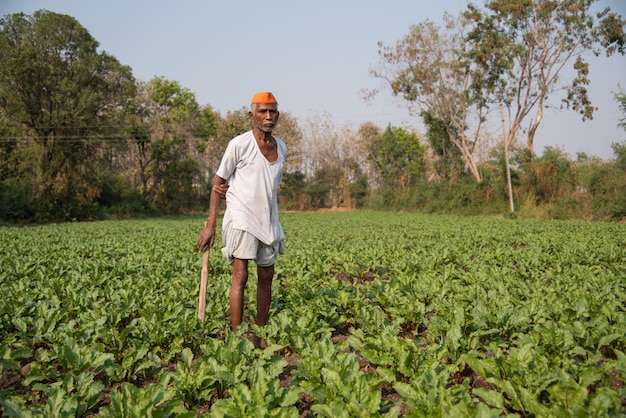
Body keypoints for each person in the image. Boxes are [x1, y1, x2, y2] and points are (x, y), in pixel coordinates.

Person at [197, 91, 286, 348]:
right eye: (263, 112)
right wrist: (211, 224)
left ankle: (260, 336)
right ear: (251, 116)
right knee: (241, 275)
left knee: (267, 275)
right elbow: (218, 184)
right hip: (242, 217)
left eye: (273, 112)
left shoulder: (281, 148)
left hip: (268, 219)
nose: (268, 117)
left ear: (278, 115)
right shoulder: (239, 144)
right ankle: (237, 337)